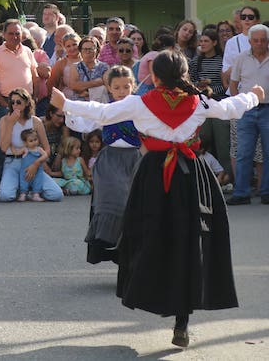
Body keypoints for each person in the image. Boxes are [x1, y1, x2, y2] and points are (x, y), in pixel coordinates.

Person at [52, 51, 262, 348]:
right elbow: (230, 108)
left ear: (156, 77)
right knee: (189, 240)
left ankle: (154, 293)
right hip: (192, 175)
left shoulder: (140, 102)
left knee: (149, 235)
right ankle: (182, 317)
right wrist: (254, 95)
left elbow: (101, 113)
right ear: (183, 75)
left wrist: (66, 104)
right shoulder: (198, 101)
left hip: (154, 174)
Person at [227, 23, 269, 205]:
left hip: (268, 109)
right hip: (247, 110)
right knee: (244, 153)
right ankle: (241, 193)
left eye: (263, 40)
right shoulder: (241, 58)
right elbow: (233, 83)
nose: (259, 44)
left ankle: (266, 192)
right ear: (250, 41)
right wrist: (239, 105)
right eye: (256, 40)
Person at [0, 88, 64, 202]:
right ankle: (19, 187)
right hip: (13, 162)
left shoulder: (35, 121)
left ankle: (31, 188)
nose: (15, 105)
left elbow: (47, 149)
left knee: (56, 194)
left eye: (19, 102)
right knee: (5, 196)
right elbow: (3, 147)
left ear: (27, 103)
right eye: (12, 102)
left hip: (33, 162)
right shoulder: (5, 120)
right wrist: (11, 123)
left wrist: (36, 164)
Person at [190, 27, 231, 182]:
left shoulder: (222, 60)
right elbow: (191, 82)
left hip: (219, 106)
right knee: (204, 142)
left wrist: (210, 90)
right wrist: (199, 87)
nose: (202, 44)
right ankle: (207, 178)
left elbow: (225, 85)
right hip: (202, 107)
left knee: (223, 144)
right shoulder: (195, 62)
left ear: (214, 42)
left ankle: (228, 177)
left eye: (206, 41)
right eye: (201, 41)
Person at [15, 128, 50, 202]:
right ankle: (23, 194)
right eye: (31, 141)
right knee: (24, 181)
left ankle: (36, 194)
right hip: (25, 170)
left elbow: (45, 155)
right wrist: (11, 146)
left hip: (38, 170)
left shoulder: (39, 149)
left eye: (35, 139)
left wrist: (39, 160)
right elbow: (16, 153)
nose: (34, 142)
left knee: (38, 181)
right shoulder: (25, 149)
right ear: (25, 142)